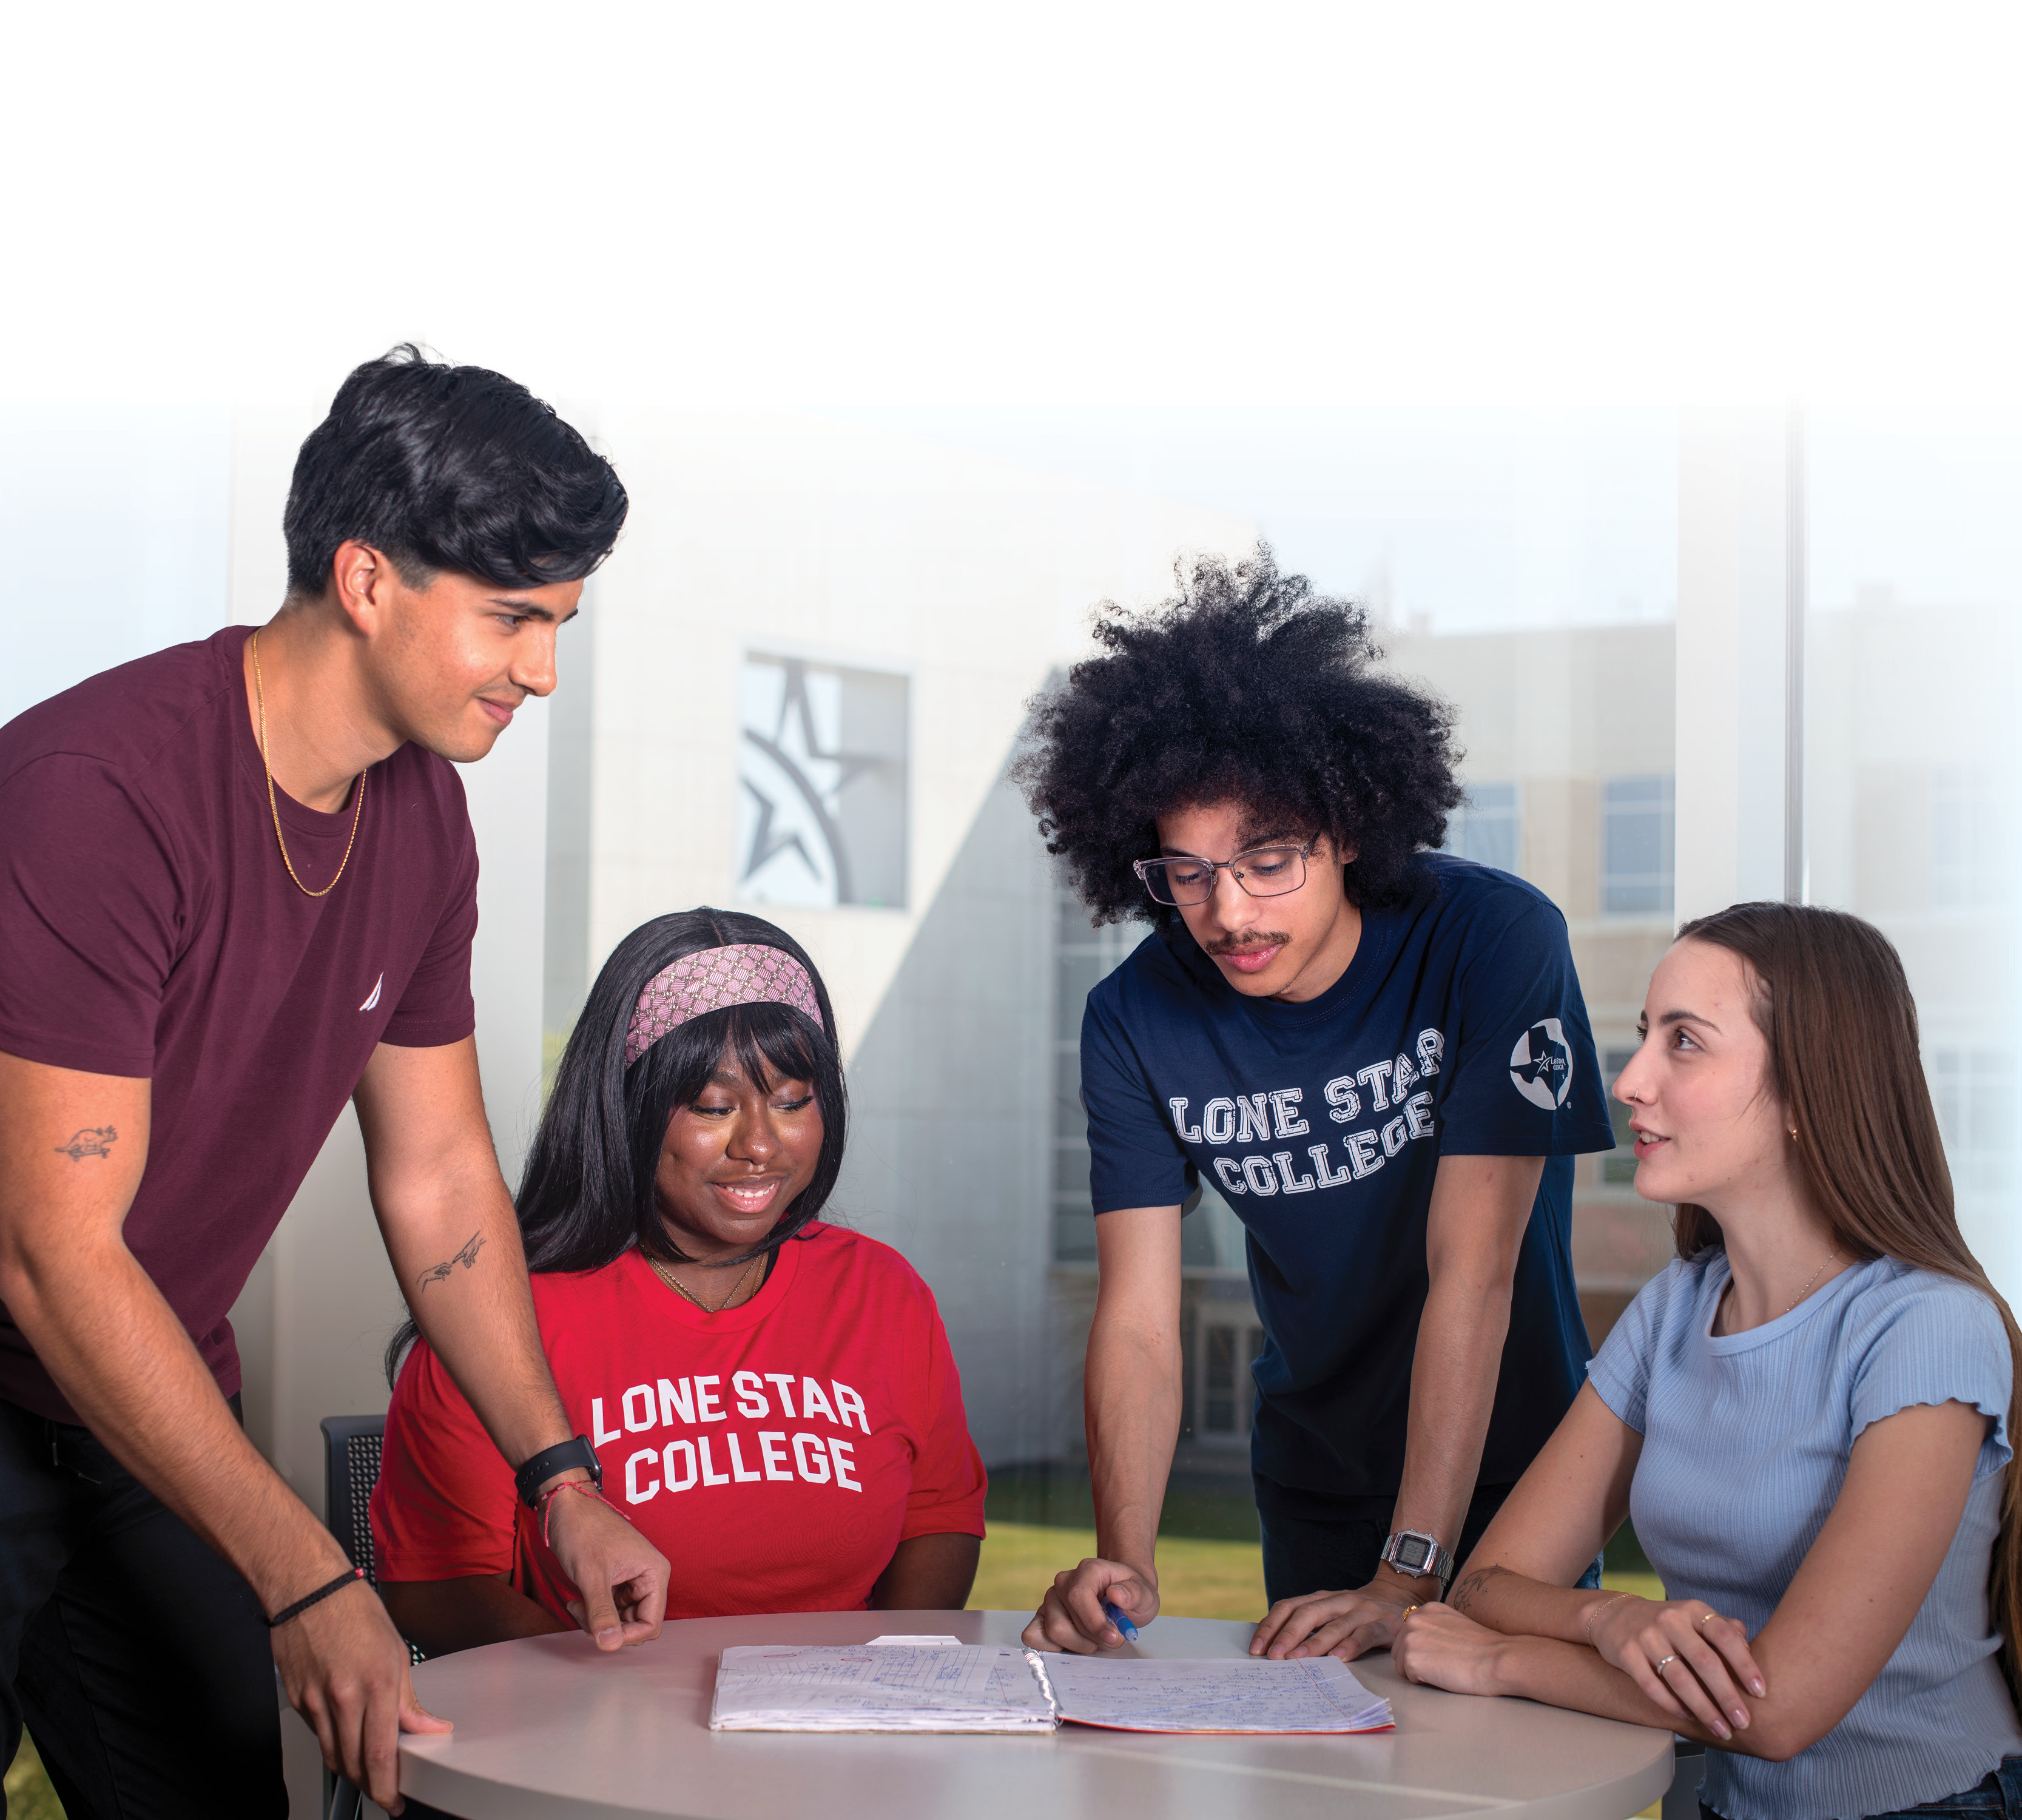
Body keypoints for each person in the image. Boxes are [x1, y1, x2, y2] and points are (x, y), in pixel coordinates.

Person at [0, 347, 670, 1819]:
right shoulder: (95, 796)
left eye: (558, 621)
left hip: (138, 1386)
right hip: (33, 1347)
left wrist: (559, 1475)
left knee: (226, 1775)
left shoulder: (425, 820)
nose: (542, 669)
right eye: (511, 617)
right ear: (366, 580)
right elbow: (53, 1255)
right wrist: (313, 1570)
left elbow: (437, 1175)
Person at [1015, 549, 1617, 1660]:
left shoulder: (1490, 941)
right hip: (1315, 1468)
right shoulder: (1133, 1018)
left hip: (1516, 1474)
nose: (1226, 910)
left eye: (1267, 860)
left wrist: (1405, 1574)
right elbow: (1143, 1323)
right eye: (1183, 872)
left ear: (1346, 829)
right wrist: (1123, 1562)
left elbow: (1473, 1275)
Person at [1390, 903, 2022, 1819]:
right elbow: (1487, 1586)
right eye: (1646, 1035)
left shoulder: (1927, 1329)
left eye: (1683, 1043)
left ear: (1809, 1094)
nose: (1631, 1081)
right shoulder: (1673, 1312)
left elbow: (1776, 1711)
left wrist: (1507, 1663)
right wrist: (1610, 1617)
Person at [372, 910, 987, 1652]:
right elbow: (433, 1586)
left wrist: (881, 1679)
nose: (761, 1145)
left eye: (793, 1102)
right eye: (714, 1108)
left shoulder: (882, 1293)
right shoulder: (496, 1318)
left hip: (841, 1742)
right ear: (628, 1109)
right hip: (604, 1745)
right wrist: (610, 1700)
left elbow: (940, 1520)